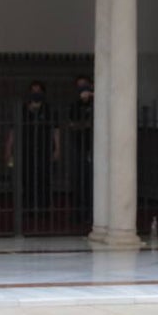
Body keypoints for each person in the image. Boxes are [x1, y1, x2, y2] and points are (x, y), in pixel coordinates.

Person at [5, 80, 59, 219]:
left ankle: (43, 210)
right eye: (33, 91)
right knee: (27, 180)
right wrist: (8, 149)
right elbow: (13, 131)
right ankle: (28, 210)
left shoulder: (49, 110)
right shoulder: (22, 110)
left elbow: (55, 131)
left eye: (38, 91)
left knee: (44, 180)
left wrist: (57, 149)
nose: (36, 94)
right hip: (26, 151)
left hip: (44, 150)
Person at [66, 75, 94, 225]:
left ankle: (91, 213)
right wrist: (86, 125)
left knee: (92, 182)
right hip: (78, 146)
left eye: (85, 86)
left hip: (94, 147)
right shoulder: (75, 105)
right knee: (79, 181)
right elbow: (72, 125)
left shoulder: (96, 103)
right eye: (80, 86)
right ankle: (78, 213)